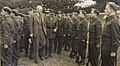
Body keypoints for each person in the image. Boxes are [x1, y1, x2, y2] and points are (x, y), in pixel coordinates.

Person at [101, 2, 120, 66]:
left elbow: (116, 37)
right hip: (105, 49)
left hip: (109, 50)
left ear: (111, 10)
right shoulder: (108, 20)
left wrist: (113, 51)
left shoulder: (113, 22)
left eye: (106, 9)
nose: (104, 10)